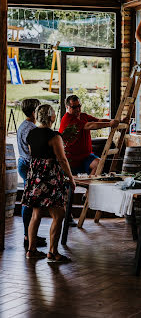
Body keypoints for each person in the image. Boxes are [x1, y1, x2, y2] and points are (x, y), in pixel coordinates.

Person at [22, 104, 76, 261]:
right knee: (59, 214)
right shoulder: (54, 136)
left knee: (36, 213)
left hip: (35, 176)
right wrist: (71, 178)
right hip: (49, 177)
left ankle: (31, 250)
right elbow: (62, 159)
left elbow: (34, 155)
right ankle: (53, 252)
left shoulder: (31, 134)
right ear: (52, 117)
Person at [59, 95, 119, 176]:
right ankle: (85, 183)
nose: (77, 109)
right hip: (71, 159)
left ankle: (90, 183)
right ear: (67, 107)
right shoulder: (67, 119)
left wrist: (116, 121)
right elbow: (89, 126)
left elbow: (99, 121)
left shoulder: (83, 116)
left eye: (79, 106)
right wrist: (109, 124)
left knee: (99, 164)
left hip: (86, 156)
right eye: (74, 107)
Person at [17, 98, 47, 249]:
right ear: (35, 111)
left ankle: (29, 234)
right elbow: (33, 150)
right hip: (29, 165)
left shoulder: (24, 125)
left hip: (23, 163)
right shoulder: (31, 129)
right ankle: (27, 237)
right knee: (29, 202)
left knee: (30, 200)